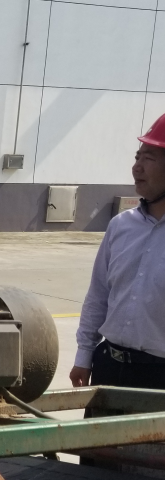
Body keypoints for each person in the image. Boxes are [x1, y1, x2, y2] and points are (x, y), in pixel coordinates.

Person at [71, 112, 165, 391]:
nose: (137, 167)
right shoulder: (121, 225)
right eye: (137, 157)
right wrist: (84, 355)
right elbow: (98, 295)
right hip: (109, 367)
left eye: (149, 158)